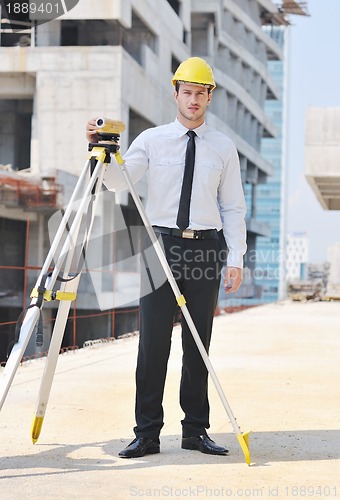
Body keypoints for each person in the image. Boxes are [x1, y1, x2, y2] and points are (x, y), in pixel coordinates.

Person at [86, 57, 247, 458]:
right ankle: (147, 434)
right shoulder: (151, 140)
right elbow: (118, 181)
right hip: (160, 245)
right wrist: (99, 151)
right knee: (153, 343)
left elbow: (233, 208)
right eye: (187, 92)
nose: (193, 100)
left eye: (201, 93)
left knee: (197, 344)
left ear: (210, 97)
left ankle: (195, 431)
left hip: (207, 248)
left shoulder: (224, 148)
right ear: (175, 93)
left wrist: (237, 258)